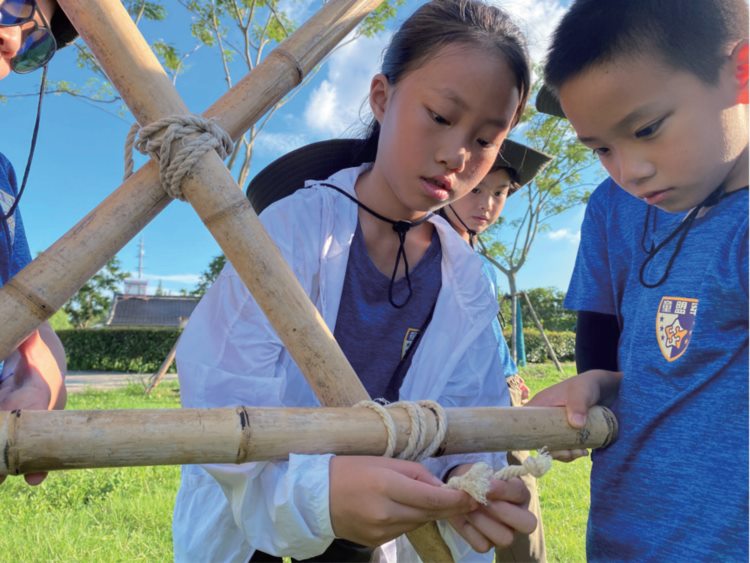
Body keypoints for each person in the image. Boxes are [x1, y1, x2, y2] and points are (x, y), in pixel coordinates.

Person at [174, 0, 539, 561]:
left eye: (487, 139)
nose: (456, 155)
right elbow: (219, 392)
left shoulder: (466, 277)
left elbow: (467, 415)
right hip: (257, 528)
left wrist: (471, 472)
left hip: (391, 530)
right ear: (382, 97)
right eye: (441, 116)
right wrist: (321, 494)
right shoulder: (296, 228)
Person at [529, 0, 748, 560]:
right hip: (620, 534)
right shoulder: (614, 206)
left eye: (647, 129)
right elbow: (605, 341)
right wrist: (599, 383)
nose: (629, 171)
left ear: (741, 74)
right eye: (601, 148)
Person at [440, 139, 552, 563]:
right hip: (454, 408)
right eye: (476, 189)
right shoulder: (420, 254)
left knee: (519, 503)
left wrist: (508, 371)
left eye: (499, 192)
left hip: (504, 400)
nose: (486, 203)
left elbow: (486, 337)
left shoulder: (479, 262)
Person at [0, 0, 77, 485]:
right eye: (14, 3)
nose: (12, 40)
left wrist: (44, 376)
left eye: (34, 44)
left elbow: (32, 319)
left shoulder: (2, 176)